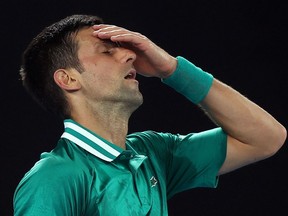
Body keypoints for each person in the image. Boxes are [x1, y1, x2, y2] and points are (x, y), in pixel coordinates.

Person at [13, 14, 286, 216]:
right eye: (107, 51)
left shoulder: (154, 152)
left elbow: (266, 137)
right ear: (68, 79)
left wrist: (172, 69)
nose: (130, 55)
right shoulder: (53, 178)